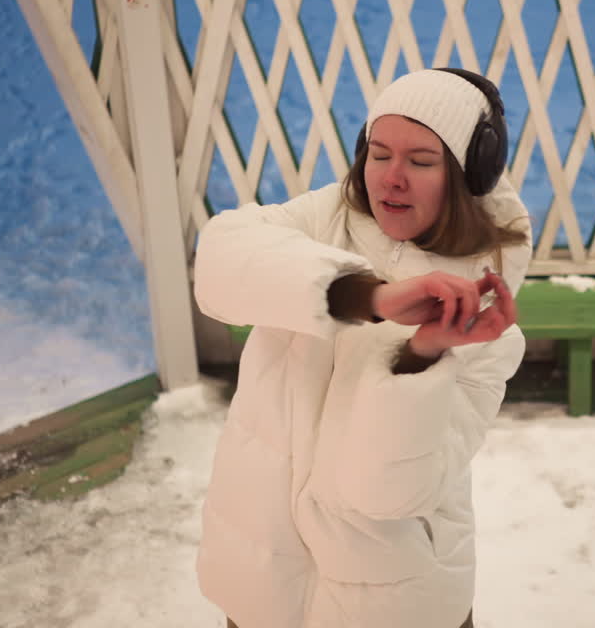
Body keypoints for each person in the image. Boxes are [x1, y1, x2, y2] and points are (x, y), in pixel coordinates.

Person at [192, 68, 533, 628]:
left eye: (422, 161)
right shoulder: (323, 218)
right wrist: (366, 296)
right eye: (379, 154)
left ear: (469, 174)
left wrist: (421, 355)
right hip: (262, 584)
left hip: (390, 604)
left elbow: (387, 494)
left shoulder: (483, 331)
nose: (391, 179)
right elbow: (221, 262)